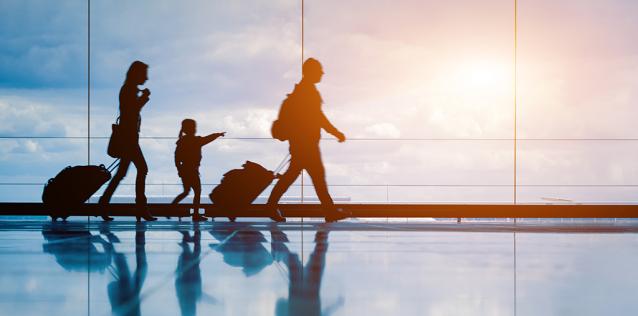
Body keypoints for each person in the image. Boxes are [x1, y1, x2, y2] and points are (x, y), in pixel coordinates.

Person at [267, 58, 349, 222]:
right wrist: (336, 132)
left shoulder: (302, 91)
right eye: (319, 71)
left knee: (296, 176)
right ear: (311, 72)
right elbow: (319, 118)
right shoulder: (308, 92)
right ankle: (329, 211)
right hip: (306, 144)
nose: (322, 73)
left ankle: (271, 206)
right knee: (316, 177)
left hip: (301, 143)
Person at [99, 61, 156, 222]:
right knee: (142, 169)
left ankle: (104, 204)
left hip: (129, 138)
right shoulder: (129, 90)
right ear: (137, 74)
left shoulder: (129, 89)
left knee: (121, 174)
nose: (146, 78)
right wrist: (144, 97)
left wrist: (142, 97)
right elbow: (132, 111)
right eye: (144, 74)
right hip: (129, 139)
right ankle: (141, 209)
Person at [171, 119, 225, 222]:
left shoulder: (181, 141)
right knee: (197, 191)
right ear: (191, 129)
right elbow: (208, 139)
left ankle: (171, 208)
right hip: (192, 171)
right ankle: (195, 214)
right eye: (194, 127)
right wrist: (218, 134)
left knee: (186, 191)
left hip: (184, 170)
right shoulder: (196, 141)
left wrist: (179, 170)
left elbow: (176, 158)